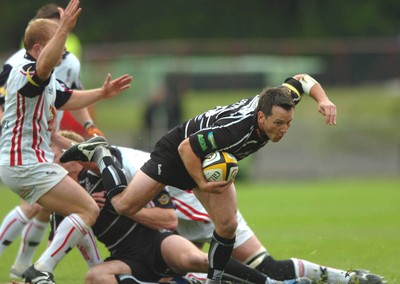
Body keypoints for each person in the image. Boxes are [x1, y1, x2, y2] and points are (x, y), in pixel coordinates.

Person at [60, 73, 335, 284]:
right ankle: (101, 153)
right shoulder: (236, 131)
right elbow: (186, 148)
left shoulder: (278, 100)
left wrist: (322, 99)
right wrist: (201, 184)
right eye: (278, 124)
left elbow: (302, 80)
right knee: (123, 206)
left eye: (288, 123)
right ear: (261, 117)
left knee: (227, 225)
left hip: (205, 157)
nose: (284, 129)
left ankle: (214, 279)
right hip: (175, 152)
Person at [55, 131, 310, 284]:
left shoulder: (120, 173)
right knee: (94, 278)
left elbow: (168, 220)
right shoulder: (64, 198)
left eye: (59, 157)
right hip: (125, 256)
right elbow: (58, 244)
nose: (55, 164)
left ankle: (269, 283)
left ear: (78, 156)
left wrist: (121, 206)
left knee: (195, 259)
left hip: (157, 242)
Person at [0, 0, 132, 283]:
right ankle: (39, 271)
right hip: (25, 163)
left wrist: (103, 92)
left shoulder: (45, 76)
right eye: (58, 45)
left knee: (78, 212)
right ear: (37, 49)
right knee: (86, 209)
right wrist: (63, 30)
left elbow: (68, 98)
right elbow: (45, 65)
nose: (63, 53)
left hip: (25, 162)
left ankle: (92, 268)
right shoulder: (27, 71)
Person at [168, 187, 386, 284]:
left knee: (265, 267)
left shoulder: (137, 166)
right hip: (173, 208)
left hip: (199, 205)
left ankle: (350, 279)